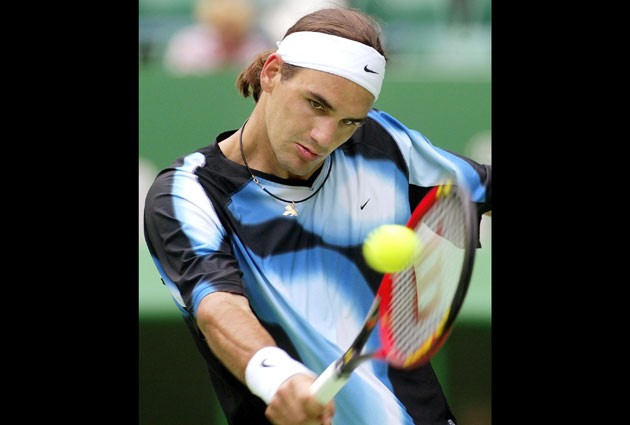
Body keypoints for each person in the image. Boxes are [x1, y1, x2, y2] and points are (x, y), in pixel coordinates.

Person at [144, 6, 492, 425]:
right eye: (315, 104)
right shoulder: (189, 192)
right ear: (272, 72)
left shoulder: (380, 146)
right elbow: (218, 309)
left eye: (349, 121)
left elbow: (482, 187)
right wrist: (279, 377)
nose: (325, 137)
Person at [163, 0, 270, 75]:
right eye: (223, 29)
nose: (229, 36)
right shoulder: (188, 45)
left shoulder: (257, 47)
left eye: (234, 30)